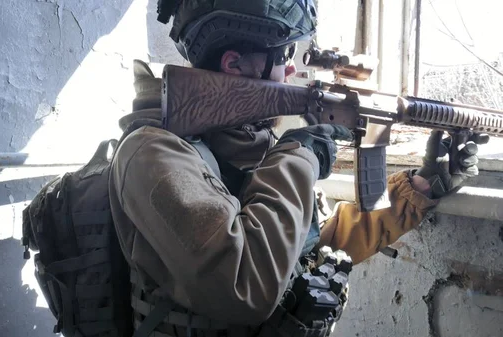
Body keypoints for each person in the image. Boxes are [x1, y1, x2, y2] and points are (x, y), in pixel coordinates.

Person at [108, 0, 488, 335]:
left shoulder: (248, 147)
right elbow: (247, 286)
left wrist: (419, 189)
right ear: (235, 66)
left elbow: (312, 243)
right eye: (285, 55)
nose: (291, 72)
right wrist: (301, 153)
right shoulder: (151, 155)